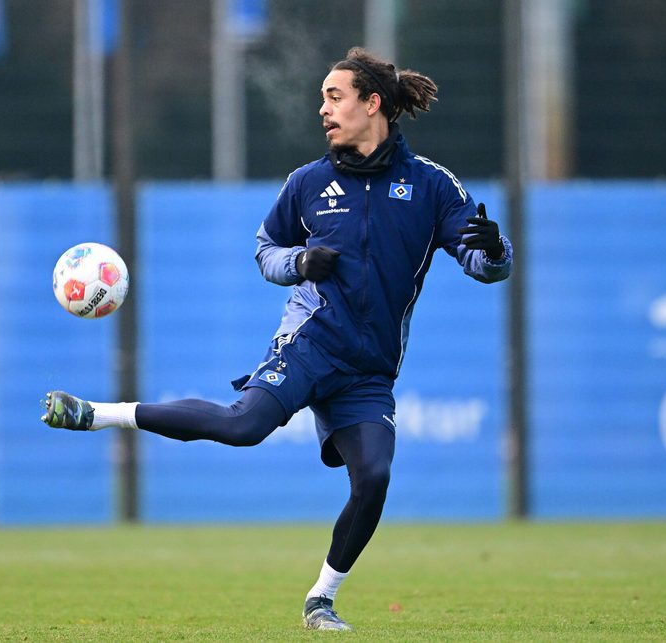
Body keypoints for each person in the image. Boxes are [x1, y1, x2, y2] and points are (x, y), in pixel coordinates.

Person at [42, 46, 512, 631]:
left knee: (374, 477)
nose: (323, 110)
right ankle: (99, 415)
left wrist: (494, 250)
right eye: (322, 98)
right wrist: (299, 263)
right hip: (312, 343)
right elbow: (266, 251)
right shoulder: (309, 183)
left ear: (373, 104)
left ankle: (321, 600)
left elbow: (483, 262)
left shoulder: (431, 185)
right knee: (244, 426)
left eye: (334, 97)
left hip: (370, 369)